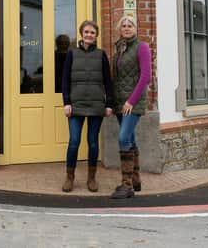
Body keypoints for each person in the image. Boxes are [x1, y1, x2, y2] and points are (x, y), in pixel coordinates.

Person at [61, 20, 113, 192]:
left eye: (92, 32)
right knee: (74, 142)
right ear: (81, 34)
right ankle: (70, 177)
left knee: (92, 143)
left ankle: (91, 178)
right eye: (86, 32)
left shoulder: (101, 55)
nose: (89, 35)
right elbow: (65, 80)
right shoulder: (72, 53)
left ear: (96, 35)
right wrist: (67, 102)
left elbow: (108, 80)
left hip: (96, 105)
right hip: (76, 105)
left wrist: (109, 104)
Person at [110, 15, 152, 199]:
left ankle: (126, 185)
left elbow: (145, 77)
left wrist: (131, 101)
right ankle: (136, 180)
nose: (127, 28)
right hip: (120, 102)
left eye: (130, 25)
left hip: (132, 103)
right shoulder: (119, 49)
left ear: (136, 28)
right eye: (124, 26)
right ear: (120, 30)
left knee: (123, 138)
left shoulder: (141, 47)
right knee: (130, 139)